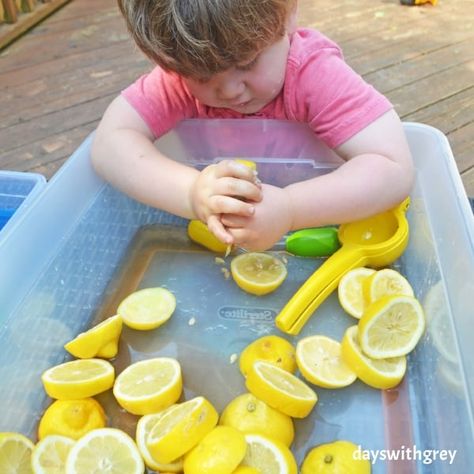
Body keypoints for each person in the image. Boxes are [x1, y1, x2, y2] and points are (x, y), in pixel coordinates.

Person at [91, 0, 414, 251]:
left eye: (247, 63)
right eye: (203, 77)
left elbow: (392, 166)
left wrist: (290, 209)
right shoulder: (177, 79)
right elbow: (109, 143)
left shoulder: (314, 74)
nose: (230, 90)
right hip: (219, 246)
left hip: (323, 228)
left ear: (288, 12)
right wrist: (191, 193)